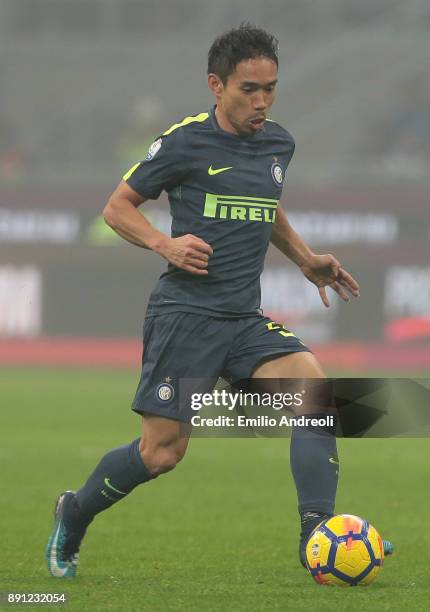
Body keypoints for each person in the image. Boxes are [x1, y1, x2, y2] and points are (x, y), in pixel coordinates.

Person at [46, 23, 392, 578]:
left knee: (316, 397)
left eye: (270, 88)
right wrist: (165, 242)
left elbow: (265, 204)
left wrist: (303, 258)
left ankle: (317, 536)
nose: (261, 102)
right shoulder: (184, 142)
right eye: (248, 90)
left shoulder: (279, 143)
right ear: (216, 85)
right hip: (185, 317)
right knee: (161, 453)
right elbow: (117, 208)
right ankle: (75, 511)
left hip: (244, 317)